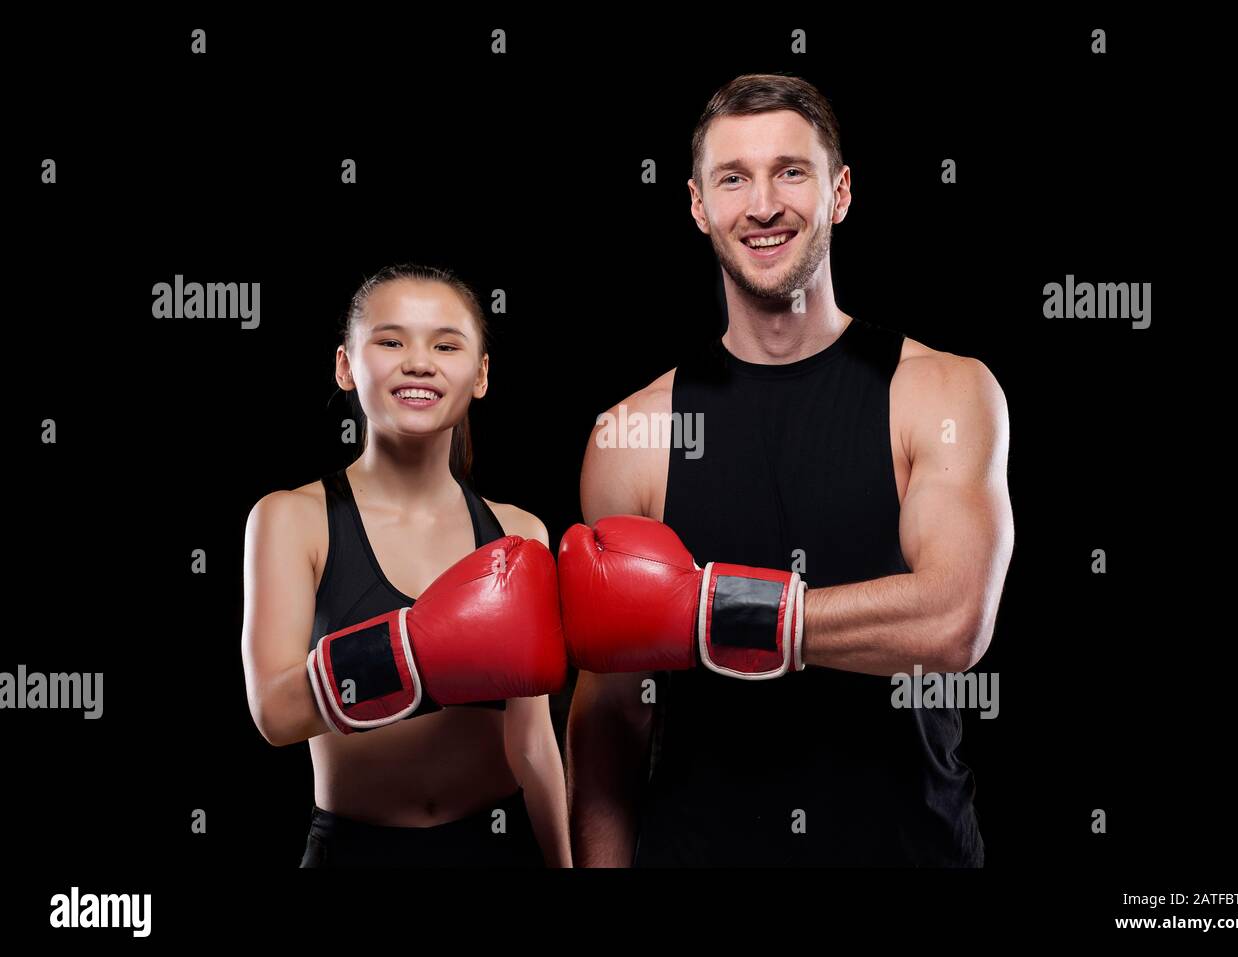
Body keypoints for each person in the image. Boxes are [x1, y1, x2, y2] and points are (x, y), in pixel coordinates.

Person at [564, 75, 1014, 867]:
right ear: (699, 206)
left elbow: (952, 620)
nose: (763, 204)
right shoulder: (633, 434)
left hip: (913, 853)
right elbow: (610, 712)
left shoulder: (942, 389)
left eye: (791, 172)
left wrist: (707, 614)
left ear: (840, 192)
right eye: (733, 178)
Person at [241, 264, 570, 867]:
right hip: (354, 849)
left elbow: (532, 743)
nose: (419, 362)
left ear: (481, 375)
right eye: (391, 341)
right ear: (345, 365)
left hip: (496, 847)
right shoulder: (291, 518)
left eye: (447, 344)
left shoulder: (521, 532)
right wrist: (424, 649)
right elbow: (276, 712)